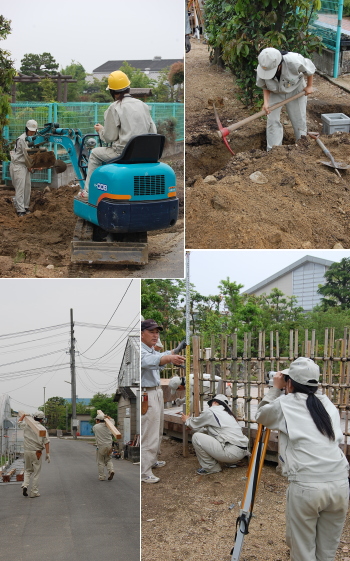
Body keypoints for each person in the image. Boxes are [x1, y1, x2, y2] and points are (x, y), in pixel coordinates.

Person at [255, 357, 349, 561]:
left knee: (303, 552)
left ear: (290, 383)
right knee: (327, 552)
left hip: (308, 485)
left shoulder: (285, 403)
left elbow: (261, 415)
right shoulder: (328, 405)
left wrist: (275, 388)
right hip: (340, 483)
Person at [78, 70, 157, 199]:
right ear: (128, 88)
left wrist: (101, 130)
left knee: (95, 154)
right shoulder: (143, 105)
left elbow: (110, 137)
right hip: (146, 153)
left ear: (112, 92)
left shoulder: (115, 107)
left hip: (124, 153)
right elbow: (153, 131)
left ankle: (87, 192)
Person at [141, 319, 186, 483]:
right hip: (146, 394)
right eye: (151, 332)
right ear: (141, 333)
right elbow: (153, 361)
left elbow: (159, 356)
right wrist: (170, 358)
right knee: (149, 432)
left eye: (157, 332)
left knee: (157, 430)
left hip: (155, 391)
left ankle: (151, 460)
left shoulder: (151, 349)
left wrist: (175, 351)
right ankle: (144, 471)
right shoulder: (140, 350)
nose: (155, 335)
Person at [256, 47, 316, 151]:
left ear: (279, 65)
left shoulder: (294, 61)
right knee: (272, 120)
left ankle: (302, 146)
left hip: (296, 89)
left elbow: (309, 70)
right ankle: (273, 151)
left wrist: (309, 86)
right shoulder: (263, 67)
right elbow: (265, 86)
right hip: (275, 93)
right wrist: (266, 103)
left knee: (298, 118)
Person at [181, 394, 249, 475]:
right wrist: (193, 428)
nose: (209, 406)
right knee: (203, 434)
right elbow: (209, 431)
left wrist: (187, 420)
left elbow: (194, 422)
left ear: (215, 402)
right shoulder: (227, 414)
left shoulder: (212, 411)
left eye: (210, 404)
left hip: (232, 453)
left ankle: (211, 467)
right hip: (240, 452)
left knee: (196, 437)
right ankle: (230, 462)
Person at [18, 410, 50, 498]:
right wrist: (47, 453)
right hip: (37, 452)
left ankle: (25, 484)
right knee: (36, 472)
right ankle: (34, 492)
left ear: (33, 417)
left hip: (27, 451)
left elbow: (19, 422)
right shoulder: (42, 429)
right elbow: (46, 442)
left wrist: (24, 415)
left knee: (28, 470)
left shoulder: (27, 425)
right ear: (42, 419)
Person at [9, 119, 38, 216]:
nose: (32, 133)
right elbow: (27, 154)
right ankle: (20, 210)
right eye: (31, 131)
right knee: (20, 188)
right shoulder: (22, 139)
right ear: (26, 129)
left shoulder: (32, 138)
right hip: (18, 165)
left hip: (25, 165)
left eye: (34, 131)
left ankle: (25, 207)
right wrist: (33, 166)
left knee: (27, 187)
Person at [92, 413, 115, 481]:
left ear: (98, 420)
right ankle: (111, 470)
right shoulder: (110, 425)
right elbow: (112, 420)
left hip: (101, 446)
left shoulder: (95, 427)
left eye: (96, 420)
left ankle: (101, 476)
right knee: (108, 459)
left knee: (100, 461)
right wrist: (107, 417)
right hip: (109, 446)